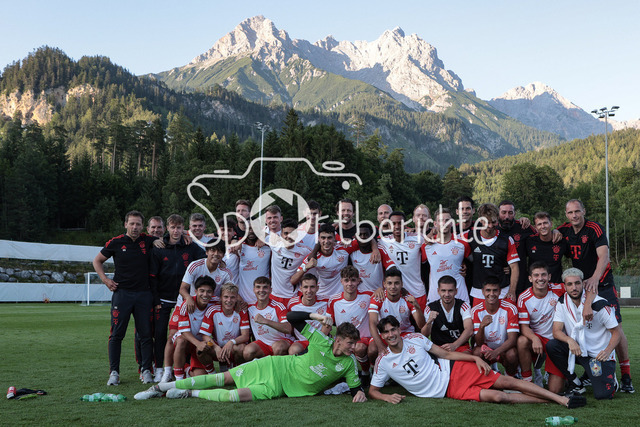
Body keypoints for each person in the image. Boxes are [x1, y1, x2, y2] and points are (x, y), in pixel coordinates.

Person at [134, 311, 367, 403]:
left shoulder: (349, 364)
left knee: (234, 396)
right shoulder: (320, 340)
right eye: (350, 343)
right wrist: (315, 316)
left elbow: (357, 387)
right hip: (273, 366)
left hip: (280, 388)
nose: (353, 347)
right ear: (338, 340)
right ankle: (159, 387)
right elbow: (292, 318)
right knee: (221, 379)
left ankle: (188, 392)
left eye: (354, 344)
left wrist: (360, 394)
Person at [368, 315, 586, 408]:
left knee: (507, 382)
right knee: (499, 397)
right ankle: (552, 400)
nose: (391, 334)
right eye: (386, 332)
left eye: (393, 329)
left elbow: (445, 355)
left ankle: (561, 400)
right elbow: (373, 390)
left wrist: (474, 358)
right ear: (382, 336)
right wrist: (386, 397)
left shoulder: (415, 339)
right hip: (449, 390)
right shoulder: (383, 361)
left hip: (455, 370)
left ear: (399, 330)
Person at [557, 199, 633, 393]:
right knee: (586, 325)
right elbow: (545, 232)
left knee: (615, 327)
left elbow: (604, 256)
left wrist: (595, 278)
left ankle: (626, 376)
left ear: (584, 211)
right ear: (566, 214)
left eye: (577, 211)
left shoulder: (594, 228)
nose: (574, 215)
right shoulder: (564, 230)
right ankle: (590, 370)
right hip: (581, 287)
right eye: (570, 212)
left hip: (602, 284)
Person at [93, 210, 157, 385]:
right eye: (132, 223)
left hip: (144, 295)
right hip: (122, 295)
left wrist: (185, 235)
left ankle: (145, 370)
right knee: (116, 335)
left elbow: (171, 237)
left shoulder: (148, 241)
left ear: (142, 226)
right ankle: (114, 372)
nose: (135, 227)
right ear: (125, 224)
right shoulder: (115, 242)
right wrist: (105, 280)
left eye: (138, 224)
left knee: (146, 335)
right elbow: (97, 261)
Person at [546, 268, 622, 399]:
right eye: (569, 284)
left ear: (583, 284)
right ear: (565, 286)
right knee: (552, 346)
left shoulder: (600, 305)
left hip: (598, 355)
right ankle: (576, 383)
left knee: (603, 395)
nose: (574, 287)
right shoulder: (562, 302)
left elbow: (617, 332)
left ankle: (609, 378)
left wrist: (608, 351)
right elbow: (556, 331)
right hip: (579, 350)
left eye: (577, 283)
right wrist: (570, 341)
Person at [148, 214, 205, 381]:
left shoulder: (190, 246)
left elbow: (207, 258)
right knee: (160, 334)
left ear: (183, 229)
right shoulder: (159, 247)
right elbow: (153, 277)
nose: (175, 231)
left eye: (179, 228)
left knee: (185, 334)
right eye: (173, 227)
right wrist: (156, 299)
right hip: (163, 299)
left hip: (185, 299)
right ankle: (160, 368)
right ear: (168, 228)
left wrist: (220, 262)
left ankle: (184, 366)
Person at [516, 262, 565, 392]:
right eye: (536, 275)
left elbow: (579, 288)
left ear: (549, 276)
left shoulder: (560, 288)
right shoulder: (523, 297)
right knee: (522, 341)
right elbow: (524, 327)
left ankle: (564, 376)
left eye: (543, 275)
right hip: (539, 339)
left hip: (557, 341)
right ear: (530, 278)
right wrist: (534, 338)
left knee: (555, 390)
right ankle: (527, 381)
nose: (540, 278)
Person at [326, 266, 374, 381]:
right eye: (346, 280)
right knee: (332, 350)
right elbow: (327, 324)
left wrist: (380, 290)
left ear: (358, 281)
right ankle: (339, 375)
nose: (350, 284)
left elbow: (383, 294)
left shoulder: (368, 296)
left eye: (353, 280)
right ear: (341, 281)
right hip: (343, 340)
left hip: (364, 338)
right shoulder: (333, 300)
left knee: (360, 348)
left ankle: (366, 373)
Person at [368, 268, 425, 363]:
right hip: (384, 333)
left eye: (396, 283)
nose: (393, 287)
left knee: (414, 350)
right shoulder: (378, 298)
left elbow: (421, 325)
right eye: (389, 283)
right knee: (372, 350)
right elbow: (372, 323)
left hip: (405, 332)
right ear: (384, 284)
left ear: (402, 284)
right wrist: (380, 346)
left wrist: (417, 307)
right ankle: (370, 370)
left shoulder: (408, 298)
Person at [467, 203, 519, 303]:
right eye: (487, 222)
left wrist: (512, 290)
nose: (490, 226)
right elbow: (452, 244)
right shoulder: (470, 236)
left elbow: (514, 267)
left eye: (493, 222)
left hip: (502, 290)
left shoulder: (506, 239)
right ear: (480, 220)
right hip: (479, 291)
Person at [291, 223, 359, 298]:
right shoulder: (313, 257)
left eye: (329, 238)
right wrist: (306, 267)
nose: (326, 241)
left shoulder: (344, 247)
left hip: (340, 296)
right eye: (323, 238)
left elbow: (364, 240)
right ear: (319, 239)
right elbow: (293, 280)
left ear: (334, 238)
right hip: (321, 296)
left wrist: (351, 240)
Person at [377, 211, 428, 310]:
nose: (397, 226)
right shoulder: (383, 242)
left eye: (400, 223)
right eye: (393, 223)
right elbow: (368, 240)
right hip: (396, 294)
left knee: (421, 320)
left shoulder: (418, 238)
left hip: (417, 292)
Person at [471, 277, 520, 377]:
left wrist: (496, 352)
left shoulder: (510, 308)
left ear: (500, 291)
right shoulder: (476, 310)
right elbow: (479, 343)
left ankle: (510, 376)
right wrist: (481, 327)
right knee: (477, 352)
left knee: (512, 354)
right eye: (488, 290)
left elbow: (512, 339)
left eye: (495, 290)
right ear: (483, 291)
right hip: (486, 349)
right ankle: (486, 378)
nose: (491, 294)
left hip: (504, 348)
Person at [173, 276, 217, 379]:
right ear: (196, 291)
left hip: (202, 341)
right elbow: (184, 332)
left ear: (213, 293)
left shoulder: (215, 303)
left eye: (209, 291)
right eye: (202, 291)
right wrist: (198, 344)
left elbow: (229, 301)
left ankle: (187, 369)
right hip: (187, 338)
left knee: (200, 376)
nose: (205, 295)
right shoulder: (187, 304)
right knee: (181, 341)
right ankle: (178, 378)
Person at [199, 283, 250, 370]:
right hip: (217, 347)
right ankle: (212, 373)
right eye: (226, 297)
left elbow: (245, 336)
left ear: (236, 298)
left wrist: (231, 342)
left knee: (241, 348)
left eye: (232, 297)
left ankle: (237, 371)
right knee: (201, 349)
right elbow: (205, 335)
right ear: (220, 298)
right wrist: (216, 347)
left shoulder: (241, 311)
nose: (229, 300)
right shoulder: (212, 310)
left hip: (233, 347)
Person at [424, 208, 471, 304]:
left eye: (447, 220)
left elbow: (474, 263)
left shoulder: (462, 244)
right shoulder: (427, 245)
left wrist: (466, 266)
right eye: (441, 220)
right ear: (435, 224)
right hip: (435, 296)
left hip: (460, 295)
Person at [243, 276, 293, 361]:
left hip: (282, 341)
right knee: (248, 352)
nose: (261, 290)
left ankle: (277, 368)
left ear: (270, 290)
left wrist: (266, 321)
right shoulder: (250, 308)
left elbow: (288, 328)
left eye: (265, 287)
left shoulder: (278, 306)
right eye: (258, 287)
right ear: (254, 290)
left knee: (278, 348)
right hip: (263, 344)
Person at [421, 275, 473, 353]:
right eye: (443, 290)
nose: (447, 294)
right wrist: (429, 322)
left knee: (467, 355)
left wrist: (454, 345)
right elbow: (424, 335)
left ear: (456, 291)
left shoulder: (463, 305)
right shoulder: (430, 308)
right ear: (438, 291)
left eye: (450, 291)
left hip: (459, 346)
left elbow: (469, 330)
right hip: (439, 347)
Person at [269, 218, 314, 306]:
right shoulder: (274, 245)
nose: (288, 236)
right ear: (281, 234)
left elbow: (318, 254)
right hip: (274, 295)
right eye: (286, 233)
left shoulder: (304, 251)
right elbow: (259, 231)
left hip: (293, 296)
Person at [497, 200, 536, 296]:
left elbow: (542, 236)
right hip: (497, 280)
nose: (507, 216)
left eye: (510, 213)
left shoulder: (523, 227)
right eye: (503, 212)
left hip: (521, 280)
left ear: (514, 214)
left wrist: (555, 232)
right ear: (498, 213)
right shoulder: (492, 228)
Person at [287, 274, 328, 355]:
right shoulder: (292, 304)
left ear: (317, 288)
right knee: (293, 350)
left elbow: (328, 324)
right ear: (301, 288)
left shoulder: (326, 302)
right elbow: (290, 324)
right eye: (305, 287)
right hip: (302, 341)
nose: (309, 291)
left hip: (321, 339)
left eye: (312, 287)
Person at [525, 212, 568, 284]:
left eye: (545, 223)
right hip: (536, 285)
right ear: (535, 227)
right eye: (539, 224)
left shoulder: (561, 241)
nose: (543, 226)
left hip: (556, 285)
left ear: (551, 224)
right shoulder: (530, 241)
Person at [350, 223, 393, 293]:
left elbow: (391, 269)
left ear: (371, 236)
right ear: (355, 237)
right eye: (360, 235)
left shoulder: (380, 250)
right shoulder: (352, 250)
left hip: (378, 293)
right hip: (359, 294)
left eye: (366, 234)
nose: (363, 237)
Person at [236, 222, 271, 304]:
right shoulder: (239, 247)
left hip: (262, 298)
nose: (251, 231)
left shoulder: (268, 247)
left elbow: (278, 234)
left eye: (254, 228)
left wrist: (263, 235)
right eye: (248, 228)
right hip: (243, 300)